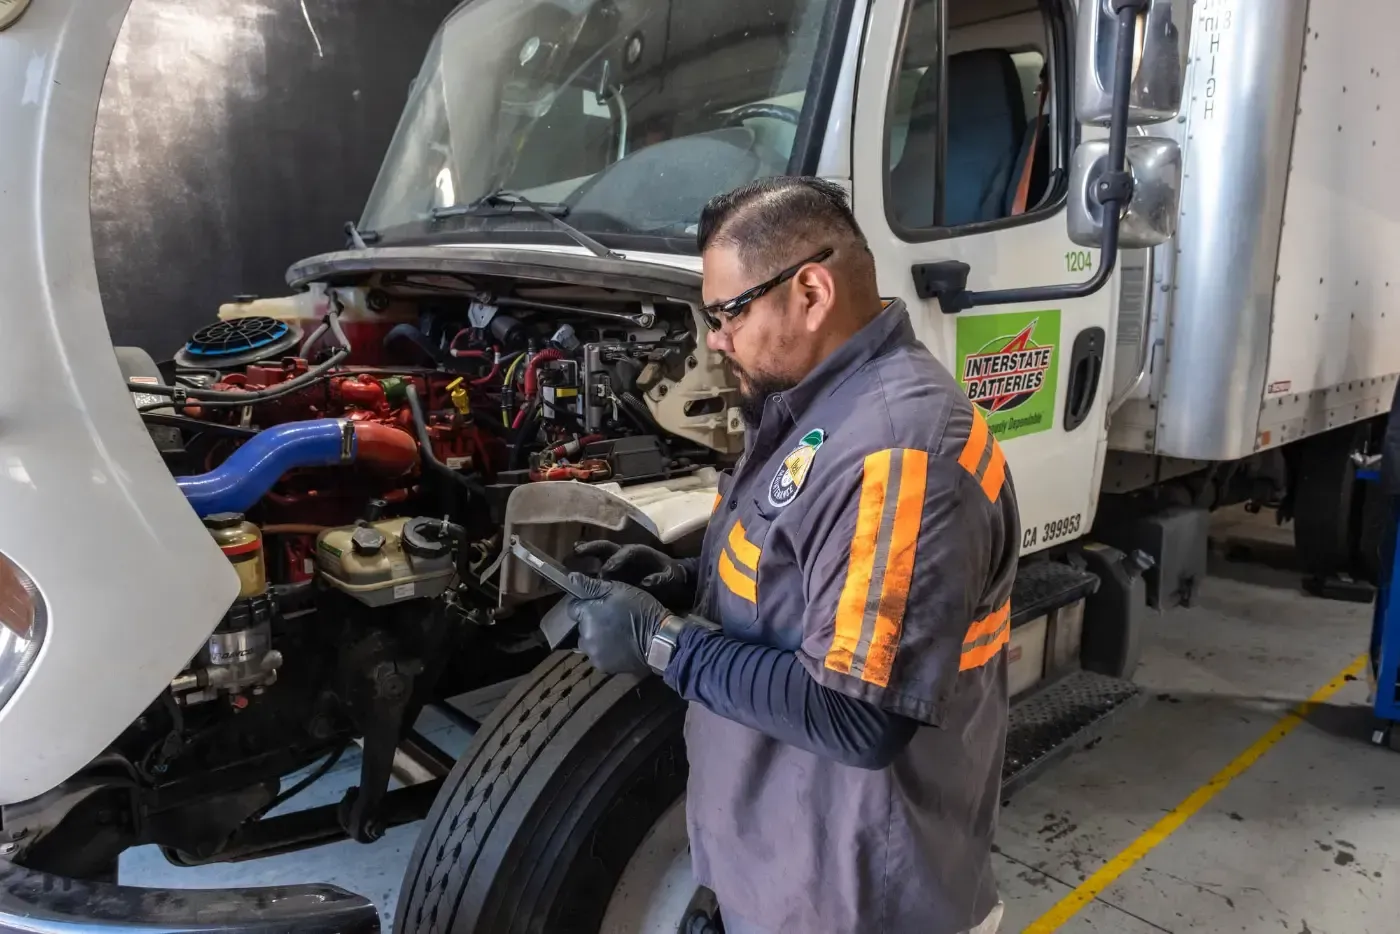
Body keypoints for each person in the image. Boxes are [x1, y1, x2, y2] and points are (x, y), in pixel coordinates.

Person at [565, 176, 1020, 934]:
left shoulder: (898, 455)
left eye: (726, 313)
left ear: (810, 291)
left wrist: (661, 642)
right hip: (786, 874)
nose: (714, 338)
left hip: (856, 900)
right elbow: (800, 575)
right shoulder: (814, 409)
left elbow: (856, 716)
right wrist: (684, 583)